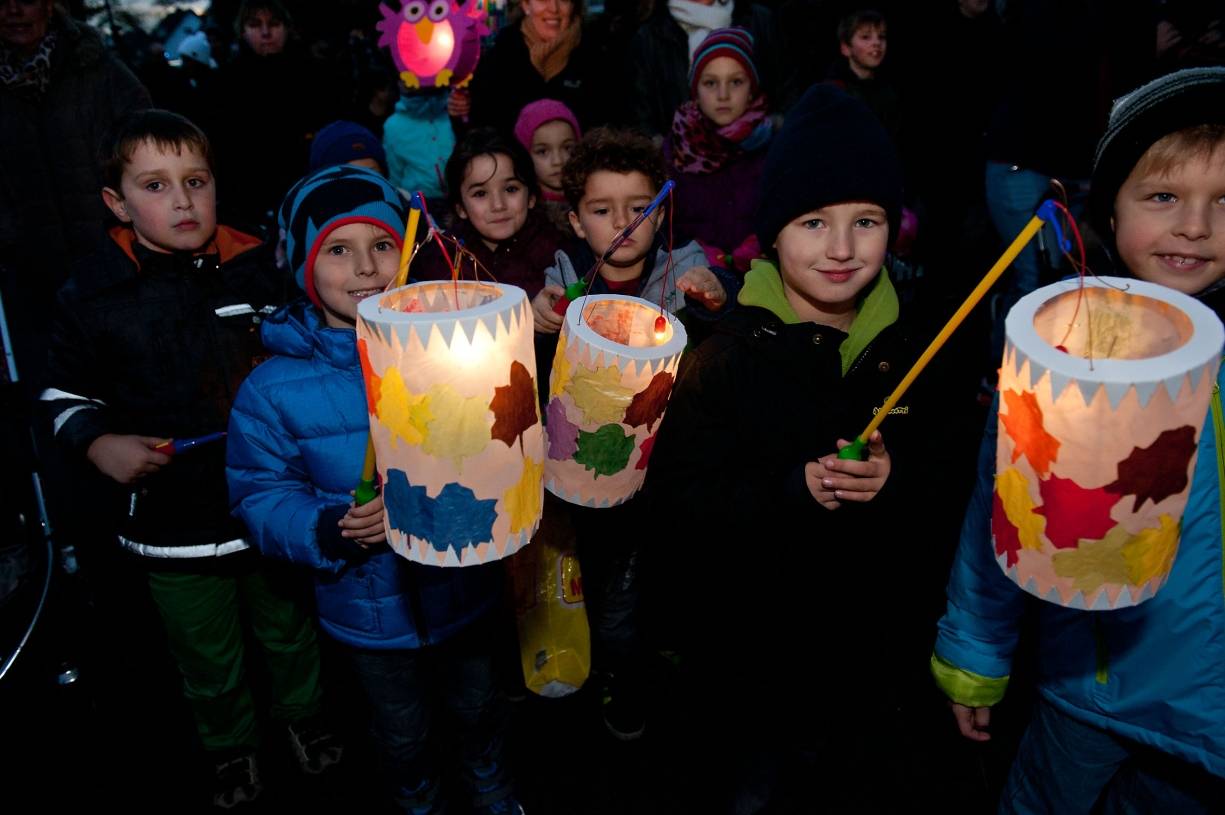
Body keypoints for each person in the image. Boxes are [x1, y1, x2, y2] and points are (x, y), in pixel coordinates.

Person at [646, 84, 954, 811]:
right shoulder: (724, 357)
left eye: (865, 220)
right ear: (773, 232)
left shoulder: (921, 345)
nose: (842, 248)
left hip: (871, 661)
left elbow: (953, 492)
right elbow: (680, 507)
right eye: (813, 221)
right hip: (752, 662)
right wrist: (790, 489)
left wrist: (895, 479)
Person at [933, 66, 1225, 814]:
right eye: (1162, 197)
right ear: (1111, 206)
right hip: (1086, 685)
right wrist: (976, 651)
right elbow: (1000, 503)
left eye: (1224, 202)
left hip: (1210, 718)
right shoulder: (1064, 351)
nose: (1194, 225)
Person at [40, 109, 339, 809]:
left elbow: (307, 348)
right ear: (117, 202)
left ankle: (305, 716)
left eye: (195, 181)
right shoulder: (94, 292)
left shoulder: (254, 269)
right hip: (171, 522)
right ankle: (229, 746)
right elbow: (58, 392)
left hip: (274, 507)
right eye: (155, 184)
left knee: (290, 631)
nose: (181, 200)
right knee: (208, 656)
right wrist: (96, 439)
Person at [227, 163, 523, 815]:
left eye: (382, 245)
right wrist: (327, 525)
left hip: (460, 590)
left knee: (478, 706)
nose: (365, 267)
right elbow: (258, 496)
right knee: (401, 730)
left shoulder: (448, 352)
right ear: (303, 262)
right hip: (367, 608)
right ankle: (418, 800)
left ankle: (491, 783)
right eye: (338, 249)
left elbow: (493, 445)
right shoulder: (274, 387)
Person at [531, 126, 736, 741]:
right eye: (601, 210)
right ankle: (619, 671)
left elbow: (727, 327)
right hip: (585, 478)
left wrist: (716, 304)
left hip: (669, 472)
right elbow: (538, 336)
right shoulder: (565, 279)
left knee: (666, 583)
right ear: (575, 221)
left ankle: (653, 661)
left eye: (638, 209)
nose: (622, 223)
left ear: (661, 212)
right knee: (605, 593)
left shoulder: (685, 271)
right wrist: (542, 321)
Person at [412, 127, 563, 301]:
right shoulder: (441, 262)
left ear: (531, 197)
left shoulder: (559, 254)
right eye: (480, 194)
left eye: (510, 189)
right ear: (460, 207)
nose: (498, 205)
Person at [664, 27, 770, 272]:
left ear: (751, 89)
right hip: (690, 279)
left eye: (736, 82)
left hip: (764, 279)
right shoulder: (676, 151)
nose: (723, 95)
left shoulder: (773, 149)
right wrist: (693, 251)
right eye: (711, 82)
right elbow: (660, 227)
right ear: (695, 91)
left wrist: (763, 242)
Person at [513, 98, 581, 235]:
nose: (558, 161)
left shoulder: (592, 199)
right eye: (542, 151)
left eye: (568, 148)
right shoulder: (523, 215)